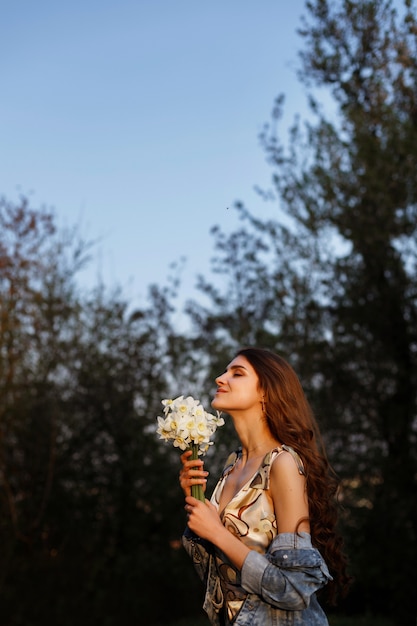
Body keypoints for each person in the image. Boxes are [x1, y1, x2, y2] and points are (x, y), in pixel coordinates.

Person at [179, 347, 350, 626]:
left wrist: (217, 532)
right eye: (225, 371)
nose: (220, 379)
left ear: (265, 392)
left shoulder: (283, 463)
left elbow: (295, 590)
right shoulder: (232, 465)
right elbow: (214, 573)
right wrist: (193, 498)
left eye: (237, 373)